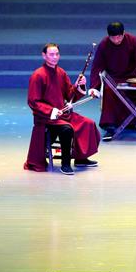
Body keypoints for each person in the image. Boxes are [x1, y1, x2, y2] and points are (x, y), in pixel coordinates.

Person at [24, 43, 100, 174]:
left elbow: (69, 95)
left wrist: (78, 86)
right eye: (51, 54)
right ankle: (65, 164)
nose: (55, 57)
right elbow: (33, 101)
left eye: (57, 54)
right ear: (44, 56)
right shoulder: (38, 75)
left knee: (88, 123)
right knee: (66, 129)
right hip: (46, 117)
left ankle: (81, 158)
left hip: (62, 114)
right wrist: (51, 111)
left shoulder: (61, 72)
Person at [89, 22, 136, 141]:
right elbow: (97, 67)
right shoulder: (104, 45)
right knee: (108, 91)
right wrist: (95, 87)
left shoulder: (132, 40)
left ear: (124, 33)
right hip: (114, 79)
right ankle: (110, 127)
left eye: (119, 37)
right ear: (109, 36)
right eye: (113, 38)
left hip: (133, 77)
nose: (117, 40)